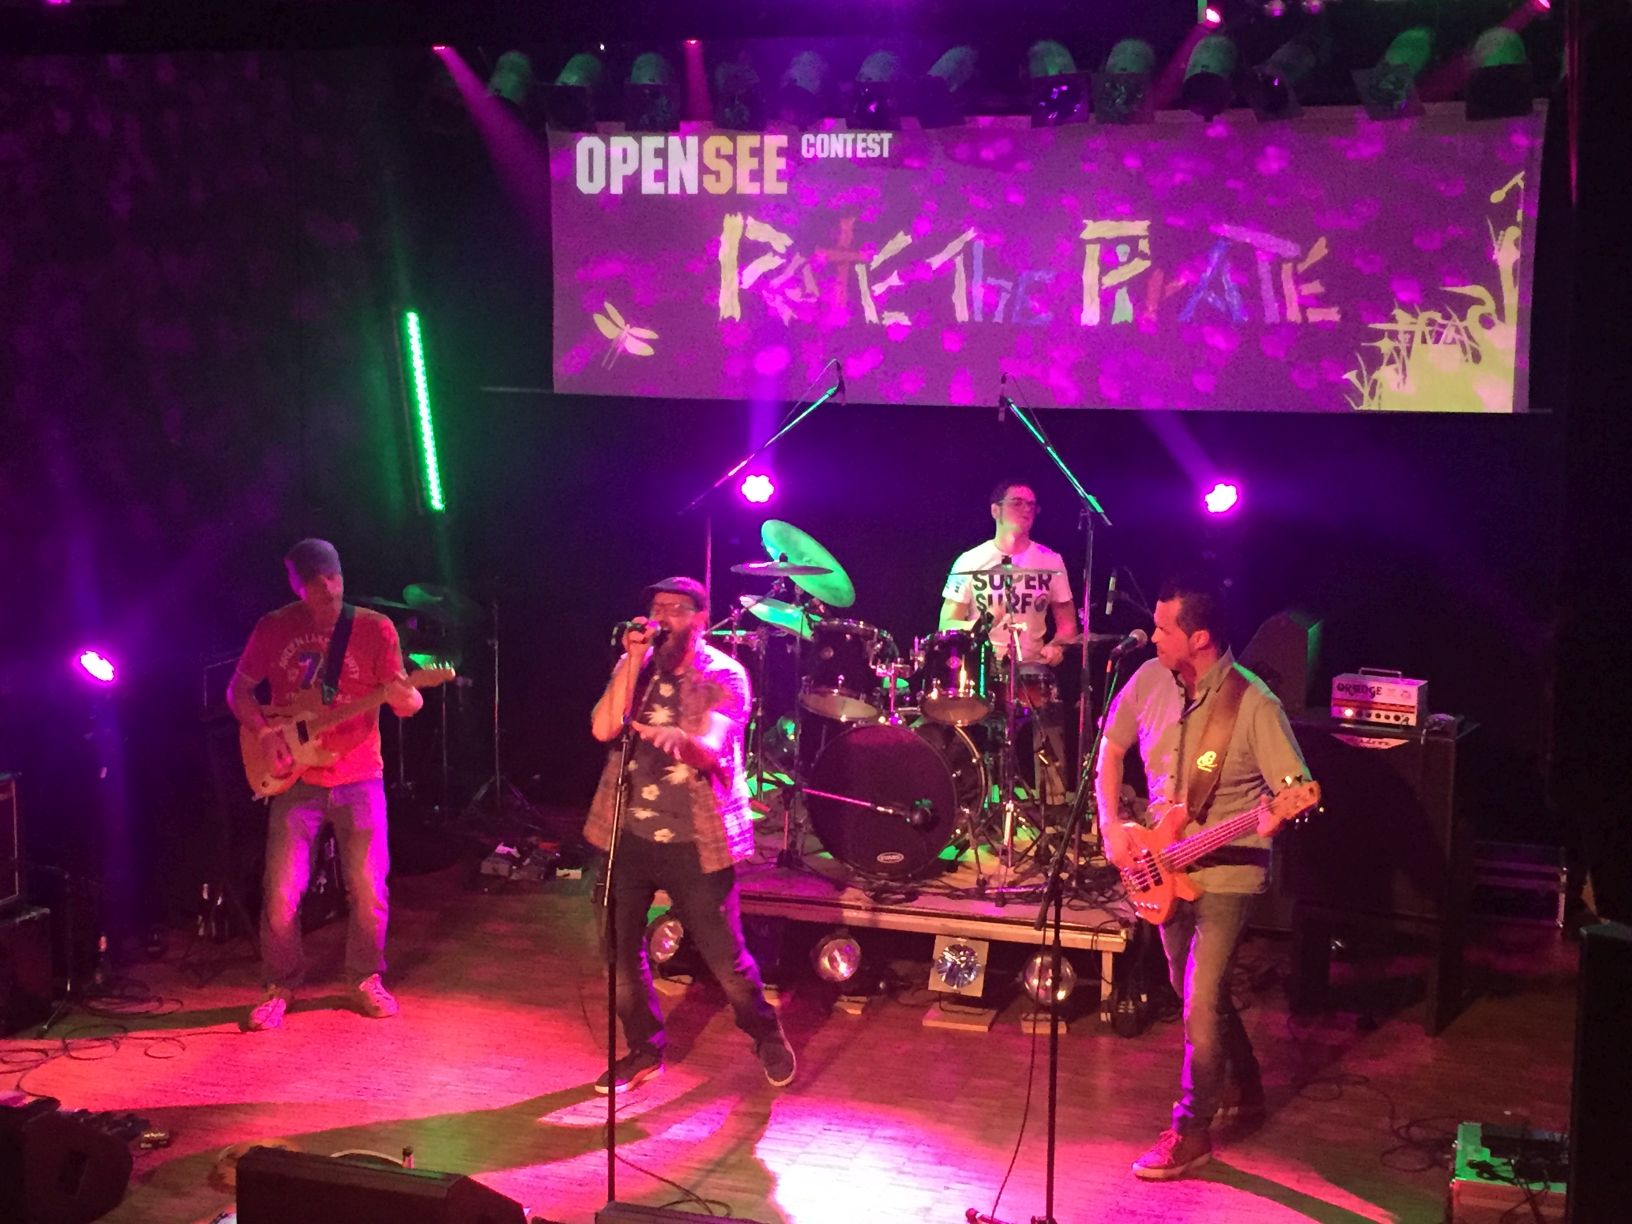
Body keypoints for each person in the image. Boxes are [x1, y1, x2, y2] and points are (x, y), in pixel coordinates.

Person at [1095, 575, 1309, 1180]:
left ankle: (1192, 1130)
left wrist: (1273, 818)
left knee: (1200, 1000)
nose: (1152, 636)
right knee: (1191, 991)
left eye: (1164, 628)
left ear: (1200, 638)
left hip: (1229, 873)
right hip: (1162, 869)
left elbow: (1294, 789)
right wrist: (1110, 824)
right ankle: (1247, 1084)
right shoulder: (1149, 679)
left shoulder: (1254, 704)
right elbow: (1111, 749)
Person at [584, 576, 795, 1094]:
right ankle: (644, 1048)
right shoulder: (634, 665)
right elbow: (602, 728)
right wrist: (632, 660)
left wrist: (681, 739)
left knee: (726, 960)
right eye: (657, 607)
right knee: (618, 954)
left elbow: (713, 746)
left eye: (677, 608)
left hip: (695, 840)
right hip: (628, 831)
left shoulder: (724, 673)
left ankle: (765, 1033)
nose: (663, 617)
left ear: (701, 619)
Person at [228, 539, 423, 1031]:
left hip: (361, 775)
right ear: (298, 585)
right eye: (317, 587)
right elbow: (239, 691)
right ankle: (280, 983)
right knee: (281, 892)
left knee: (369, 888)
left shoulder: (374, 628)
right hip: (297, 778)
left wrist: (409, 700)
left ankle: (365, 977)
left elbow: (402, 696)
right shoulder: (274, 627)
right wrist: (265, 732)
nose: (329, 593)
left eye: (334, 582)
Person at [940, 479, 1081, 804]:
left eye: (1032, 504)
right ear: (995, 510)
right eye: (1017, 502)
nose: (1026, 509)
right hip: (982, 668)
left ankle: (1052, 806)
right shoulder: (970, 561)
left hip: (1032, 667)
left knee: (1050, 718)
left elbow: (1067, 626)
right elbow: (946, 623)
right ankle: (972, 801)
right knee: (966, 731)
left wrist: (1058, 647)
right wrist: (984, 622)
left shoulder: (1050, 561)